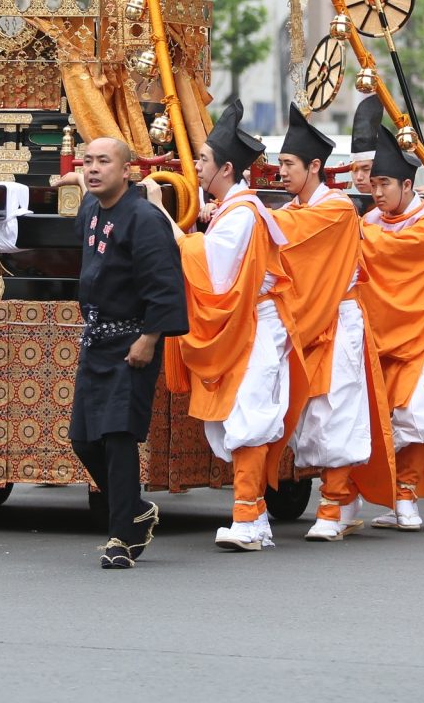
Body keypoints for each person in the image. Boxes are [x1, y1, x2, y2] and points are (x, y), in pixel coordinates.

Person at [163, 98, 292, 552]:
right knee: (240, 417)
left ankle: (246, 518)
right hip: (249, 322)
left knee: (249, 416)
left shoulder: (241, 214)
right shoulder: (230, 210)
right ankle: (253, 519)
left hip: (254, 324)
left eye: (202, 159)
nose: (196, 165)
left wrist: (172, 230)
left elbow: (214, 271)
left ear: (226, 169)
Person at [70, 137, 188, 570]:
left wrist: (151, 337)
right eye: (88, 162)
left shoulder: (143, 218)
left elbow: (165, 284)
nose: (94, 169)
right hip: (97, 338)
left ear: (127, 171)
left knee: (118, 437)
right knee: (83, 439)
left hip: (133, 341)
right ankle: (135, 508)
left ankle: (121, 537)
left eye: (104, 161)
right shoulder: (90, 210)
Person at [272, 107, 379, 543]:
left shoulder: (335, 210)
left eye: (288, 165)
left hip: (338, 320)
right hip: (306, 320)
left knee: (336, 410)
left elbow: (288, 228)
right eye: (279, 165)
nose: (280, 173)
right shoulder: (294, 209)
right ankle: (341, 497)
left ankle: (334, 505)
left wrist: (243, 212)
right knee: (308, 415)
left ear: (314, 167)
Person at [355, 123, 424, 532]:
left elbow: (392, 253)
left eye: (384, 184)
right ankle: (386, 493)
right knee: (381, 418)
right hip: (378, 333)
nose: (376, 192)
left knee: (416, 416)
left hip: (422, 330)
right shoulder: (370, 219)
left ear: (407, 183)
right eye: (374, 184)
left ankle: (407, 493)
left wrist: (355, 235)